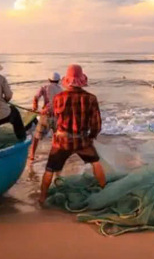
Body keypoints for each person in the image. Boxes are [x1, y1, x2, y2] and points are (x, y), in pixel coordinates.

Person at [38, 64, 105, 205]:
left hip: (61, 141)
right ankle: (104, 191)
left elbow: (53, 117)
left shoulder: (58, 98)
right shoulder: (91, 98)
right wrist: (91, 137)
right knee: (96, 163)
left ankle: (42, 198)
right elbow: (97, 124)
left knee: (49, 169)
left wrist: (45, 113)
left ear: (67, 81)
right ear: (81, 80)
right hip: (82, 140)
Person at [29, 72, 63, 161]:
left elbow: (36, 97)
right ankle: (55, 154)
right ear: (58, 81)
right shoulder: (61, 90)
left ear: (49, 80)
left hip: (46, 115)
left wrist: (35, 107)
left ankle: (32, 155)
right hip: (57, 116)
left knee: (37, 136)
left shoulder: (44, 87)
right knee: (55, 136)